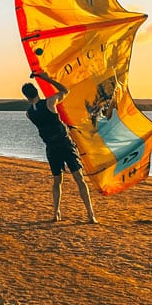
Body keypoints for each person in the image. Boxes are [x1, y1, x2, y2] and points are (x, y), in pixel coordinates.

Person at [22, 70, 97, 224]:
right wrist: (46, 79)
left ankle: (56, 213)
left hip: (51, 148)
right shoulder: (50, 103)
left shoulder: (29, 114)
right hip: (64, 145)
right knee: (79, 179)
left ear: (26, 97)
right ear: (37, 92)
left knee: (57, 181)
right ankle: (91, 214)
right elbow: (65, 91)